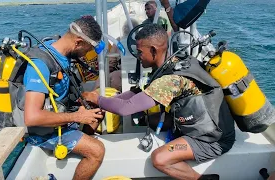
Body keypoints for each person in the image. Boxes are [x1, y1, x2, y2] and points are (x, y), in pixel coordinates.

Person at [82, 24, 235, 180]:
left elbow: (126, 108)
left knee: (159, 158)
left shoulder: (170, 81)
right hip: (204, 123)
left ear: (154, 50)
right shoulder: (173, 62)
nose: (137, 55)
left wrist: (97, 99)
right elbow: (137, 93)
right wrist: (108, 101)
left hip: (212, 139)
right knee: (150, 120)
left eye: (140, 52)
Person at [23, 16, 105, 180]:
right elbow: (31, 117)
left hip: (61, 115)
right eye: (88, 49)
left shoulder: (63, 55)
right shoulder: (41, 64)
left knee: (97, 114)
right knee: (97, 151)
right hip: (42, 131)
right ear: (79, 42)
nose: (87, 54)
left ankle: (80, 141)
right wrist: (77, 116)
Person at [93, 18, 140, 92]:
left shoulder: (119, 40)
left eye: (126, 27)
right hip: (128, 69)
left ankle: (96, 96)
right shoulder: (139, 39)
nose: (126, 28)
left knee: (109, 77)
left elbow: (111, 57)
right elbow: (112, 58)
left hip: (130, 69)